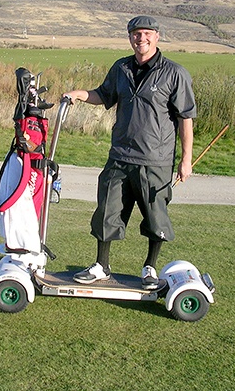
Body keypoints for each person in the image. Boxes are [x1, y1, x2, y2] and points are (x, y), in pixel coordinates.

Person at [63, 15, 196, 290]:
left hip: (155, 161)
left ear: (157, 37)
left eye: (147, 33)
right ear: (129, 37)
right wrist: (79, 94)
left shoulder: (175, 73)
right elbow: (104, 94)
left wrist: (185, 160)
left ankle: (150, 268)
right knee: (107, 212)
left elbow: (185, 118)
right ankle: (101, 266)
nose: (141, 38)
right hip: (120, 157)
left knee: (155, 217)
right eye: (136, 34)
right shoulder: (121, 68)